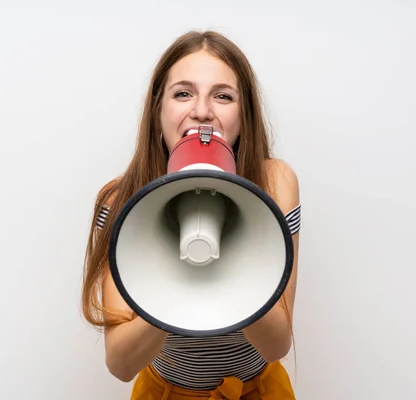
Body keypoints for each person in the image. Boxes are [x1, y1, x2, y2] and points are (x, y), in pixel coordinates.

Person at [82, 30, 301, 400]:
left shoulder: (274, 182)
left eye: (223, 96)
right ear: (157, 111)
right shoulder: (119, 200)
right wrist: (177, 281)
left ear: (244, 115)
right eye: (183, 93)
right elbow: (120, 364)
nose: (201, 111)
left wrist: (229, 254)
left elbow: (276, 345)